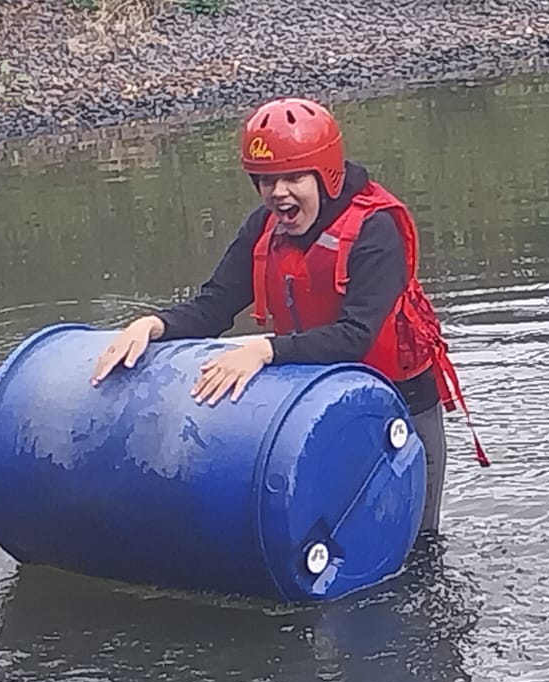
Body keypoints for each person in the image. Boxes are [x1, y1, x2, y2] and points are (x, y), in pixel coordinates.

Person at [90, 96, 484, 537]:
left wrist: (262, 349)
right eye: (267, 181)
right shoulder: (262, 227)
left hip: (400, 409)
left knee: (415, 546)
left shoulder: (376, 230)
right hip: (318, 407)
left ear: (326, 175)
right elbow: (214, 306)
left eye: (294, 177)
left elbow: (355, 337)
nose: (279, 193)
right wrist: (152, 325)